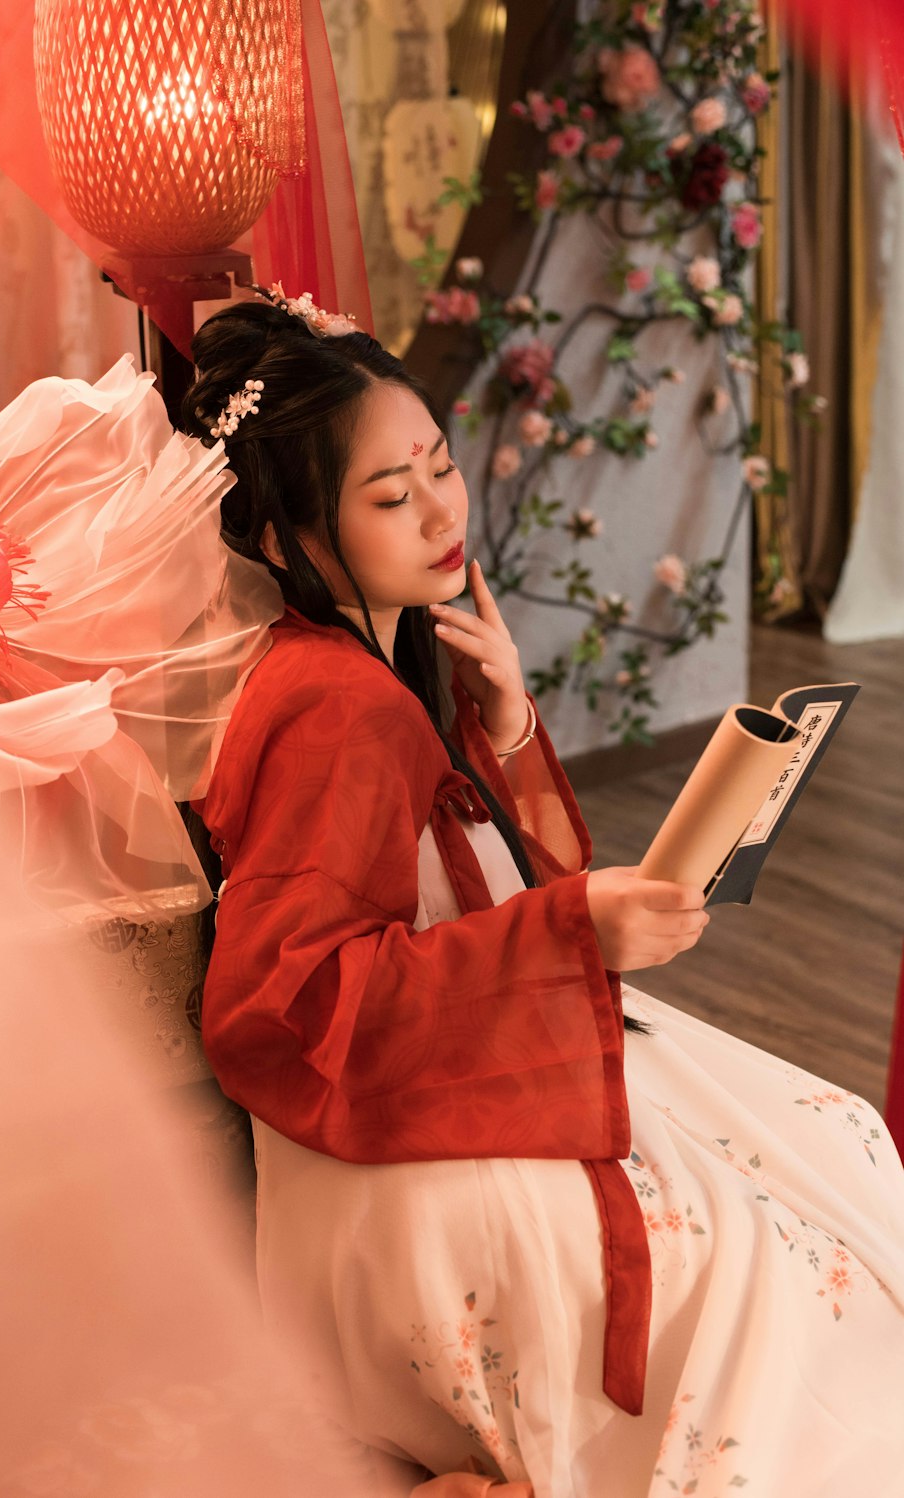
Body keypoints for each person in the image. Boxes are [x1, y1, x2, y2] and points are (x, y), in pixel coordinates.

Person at [178, 287, 904, 1498]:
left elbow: (506, 874)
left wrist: (507, 722)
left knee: (824, 1146)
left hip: (435, 1062)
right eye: (389, 497)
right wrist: (574, 924)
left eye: (442, 468)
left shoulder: (387, 654)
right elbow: (279, 1005)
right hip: (393, 1140)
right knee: (765, 1260)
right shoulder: (338, 708)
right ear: (284, 539)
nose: (440, 513)